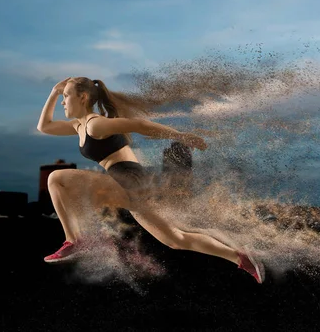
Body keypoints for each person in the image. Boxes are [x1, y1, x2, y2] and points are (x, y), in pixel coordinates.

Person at [37, 77, 264, 284]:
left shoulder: (95, 124)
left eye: (66, 96)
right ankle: (240, 257)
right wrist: (55, 91)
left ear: (83, 97)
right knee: (175, 239)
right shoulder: (79, 126)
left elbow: (140, 125)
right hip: (130, 184)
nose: (63, 102)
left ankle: (74, 240)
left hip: (128, 179)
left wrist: (180, 136)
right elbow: (44, 126)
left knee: (57, 178)